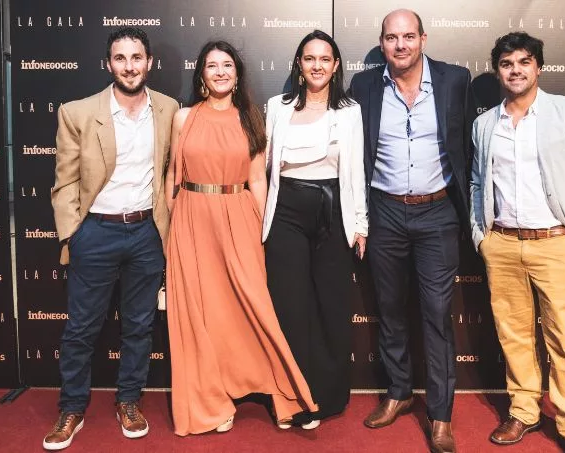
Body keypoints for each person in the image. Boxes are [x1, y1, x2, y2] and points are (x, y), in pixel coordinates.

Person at [164, 40, 317, 436]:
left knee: (253, 309)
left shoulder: (251, 118)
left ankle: (282, 393)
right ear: (201, 74)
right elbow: (173, 177)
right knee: (202, 315)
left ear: (237, 74)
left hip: (239, 217)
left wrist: (264, 232)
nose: (220, 72)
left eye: (227, 65)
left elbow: (257, 180)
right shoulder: (183, 118)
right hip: (191, 220)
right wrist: (170, 231)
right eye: (212, 65)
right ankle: (212, 403)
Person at [470, 32, 565, 453]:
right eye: (506, 63)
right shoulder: (485, 124)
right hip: (502, 244)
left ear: (538, 67)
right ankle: (524, 411)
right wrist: (481, 236)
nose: (515, 70)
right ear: (498, 70)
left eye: (523, 62)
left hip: (557, 244)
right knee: (513, 335)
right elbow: (477, 182)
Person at [45, 27, 179, 450]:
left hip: (146, 233)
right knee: (81, 328)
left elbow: (172, 172)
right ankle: (71, 408)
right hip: (95, 232)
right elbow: (65, 181)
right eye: (120, 58)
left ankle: (128, 401)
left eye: (136, 57)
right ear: (108, 64)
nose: (129, 66)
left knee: (139, 326)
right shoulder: (78, 113)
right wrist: (74, 233)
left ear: (149, 62)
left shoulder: (169, 109)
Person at [348, 9, 474, 453]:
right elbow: (356, 155)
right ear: (381, 42)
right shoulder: (364, 86)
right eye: (391, 37)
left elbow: (468, 149)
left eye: (408, 36)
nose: (400, 45)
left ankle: (440, 415)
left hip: (437, 212)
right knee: (390, 309)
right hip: (384, 212)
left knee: (437, 315)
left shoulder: (455, 80)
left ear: (423, 38)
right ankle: (399, 392)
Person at [263, 30, 367, 430]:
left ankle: (324, 398)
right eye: (309, 58)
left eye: (325, 59)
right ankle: (292, 398)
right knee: (290, 306)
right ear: (299, 64)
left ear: (336, 65)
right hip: (286, 211)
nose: (317, 65)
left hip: (333, 210)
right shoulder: (277, 107)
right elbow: (265, 167)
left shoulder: (350, 111)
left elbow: (355, 170)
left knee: (330, 305)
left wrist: (360, 224)